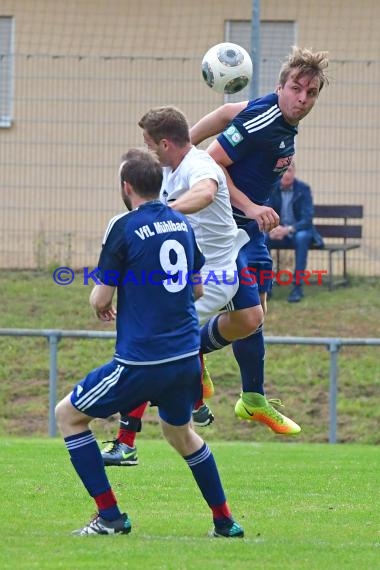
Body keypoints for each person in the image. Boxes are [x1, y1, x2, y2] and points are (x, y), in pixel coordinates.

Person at [55, 148, 244, 538]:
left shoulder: (124, 227)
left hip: (142, 360)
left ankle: (109, 518)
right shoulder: (180, 222)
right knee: (181, 435)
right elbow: (196, 289)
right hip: (184, 357)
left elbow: (100, 298)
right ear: (159, 185)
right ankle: (224, 522)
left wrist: (105, 300)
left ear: (126, 187)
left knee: (68, 416)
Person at [102, 105, 301, 468]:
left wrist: (166, 212)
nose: (147, 151)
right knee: (250, 318)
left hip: (215, 274)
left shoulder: (199, 166)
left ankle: (126, 442)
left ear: (163, 143)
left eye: (149, 144)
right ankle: (193, 372)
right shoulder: (166, 170)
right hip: (221, 259)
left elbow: (206, 193)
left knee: (153, 346)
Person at [188, 45, 329, 430]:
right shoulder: (265, 121)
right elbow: (213, 163)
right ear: (281, 86)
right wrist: (251, 206)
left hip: (250, 231)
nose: (303, 99)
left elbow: (227, 112)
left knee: (256, 315)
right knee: (248, 316)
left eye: (311, 92)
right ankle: (188, 351)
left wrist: (186, 140)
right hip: (225, 229)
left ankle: (251, 398)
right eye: (297, 89)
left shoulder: (274, 115)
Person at [266, 160, 324, 302]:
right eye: (283, 171)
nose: (286, 174)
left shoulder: (303, 189)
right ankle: (266, 287)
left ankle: (297, 288)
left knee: (302, 237)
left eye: (289, 171)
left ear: (294, 172)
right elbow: (266, 211)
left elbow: (307, 219)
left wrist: (288, 230)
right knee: (263, 238)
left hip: (297, 232)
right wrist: (274, 229)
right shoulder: (272, 188)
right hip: (279, 233)